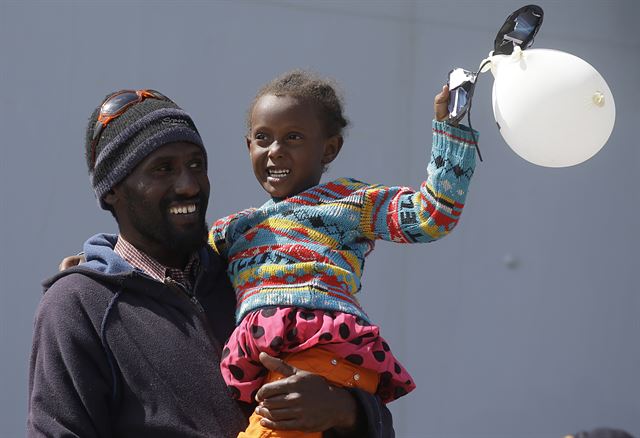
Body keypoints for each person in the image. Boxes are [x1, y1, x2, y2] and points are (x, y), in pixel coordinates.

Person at [27, 89, 394, 437]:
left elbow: (379, 420)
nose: (189, 185)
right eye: (163, 169)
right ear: (112, 190)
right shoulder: (78, 306)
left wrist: (346, 411)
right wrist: (91, 282)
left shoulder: (253, 276)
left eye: (196, 164)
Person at [208, 70, 479, 437]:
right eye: (263, 138)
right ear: (248, 147)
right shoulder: (232, 231)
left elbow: (431, 217)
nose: (275, 150)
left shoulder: (347, 203)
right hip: (272, 367)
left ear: (329, 148)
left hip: (324, 358)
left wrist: (452, 131)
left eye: (294, 137)